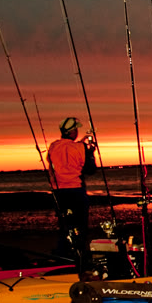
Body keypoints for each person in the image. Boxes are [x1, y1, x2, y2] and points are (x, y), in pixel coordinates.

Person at [47, 116, 97, 278]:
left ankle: (62, 253)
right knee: (80, 227)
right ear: (73, 131)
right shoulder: (80, 148)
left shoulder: (54, 146)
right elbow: (90, 170)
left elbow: (56, 160)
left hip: (58, 192)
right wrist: (90, 152)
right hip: (75, 190)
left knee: (65, 225)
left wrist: (81, 145)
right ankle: (79, 256)